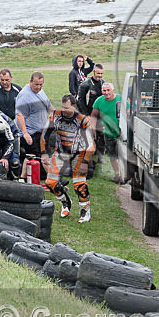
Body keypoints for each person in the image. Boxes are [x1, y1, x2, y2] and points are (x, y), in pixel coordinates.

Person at [41, 95, 95, 223]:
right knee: (50, 182)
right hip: (60, 152)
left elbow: (91, 144)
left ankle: (85, 210)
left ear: (74, 106)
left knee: (79, 183)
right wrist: (44, 153)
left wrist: (85, 162)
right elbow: (44, 135)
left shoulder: (83, 120)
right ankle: (65, 202)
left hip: (79, 153)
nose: (64, 111)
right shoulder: (55, 116)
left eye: (67, 108)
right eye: (62, 107)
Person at [15, 71, 54, 164]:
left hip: (41, 132)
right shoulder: (24, 96)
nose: (38, 87)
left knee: (47, 155)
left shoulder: (40, 91)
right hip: (31, 134)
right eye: (36, 84)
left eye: (41, 84)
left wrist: (55, 116)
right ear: (30, 82)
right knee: (38, 160)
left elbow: (48, 105)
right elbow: (20, 115)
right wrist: (25, 134)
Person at [90, 82, 125, 183]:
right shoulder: (99, 101)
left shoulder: (120, 99)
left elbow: (129, 112)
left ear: (113, 90)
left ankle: (124, 175)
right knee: (112, 155)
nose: (106, 93)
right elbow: (93, 115)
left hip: (121, 133)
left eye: (108, 90)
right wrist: (93, 128)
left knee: (122, 154)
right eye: (104, 91)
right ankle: (117, 174)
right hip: (108, 133)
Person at [77, 63, 106, 162]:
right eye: (98, 73)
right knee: (88, 135)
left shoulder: (103, 83)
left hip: (100, 115)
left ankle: (100, 156)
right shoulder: (86, 84)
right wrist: (86, 115)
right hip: (88, 114)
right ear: (93, 72)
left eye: (102, 74)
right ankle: (87, 155)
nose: (100, 76)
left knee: (101, 134)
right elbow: (79, 100)